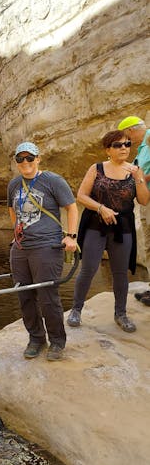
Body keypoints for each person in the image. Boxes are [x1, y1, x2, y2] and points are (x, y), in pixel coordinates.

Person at [67, 129, 149, 332]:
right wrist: (101, 208)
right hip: (96, 225)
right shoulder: (96, 169)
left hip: (123, 228)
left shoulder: (134, 171)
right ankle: (76, 309)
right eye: (118, 145)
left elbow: (144, 200)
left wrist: (139, 177)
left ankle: (120, 314)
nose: (124, 148)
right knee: (89, 269)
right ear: (107, 150)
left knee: (120, 273)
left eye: (127, 144)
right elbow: (81, 196)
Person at [7, 142, 78, 361]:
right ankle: (36, 338)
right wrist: (16, 232)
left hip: (47, 246)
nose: (25, 163)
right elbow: (12, 210)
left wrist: (71, 236)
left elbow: (72, 207)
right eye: (20, 159)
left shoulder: (53, 180)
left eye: (30, 158)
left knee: (48, 296)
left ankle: (57, 341)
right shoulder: (14, 184)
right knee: (24, 295)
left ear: (38, 158)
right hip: (21, 248)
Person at [117, 116, 150, 303]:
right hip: (146, 203)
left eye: (125, 136)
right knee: (148, 246)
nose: (125, 141)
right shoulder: (143, 147)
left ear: (130, 131)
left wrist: (141, 179)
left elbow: (143, 175)